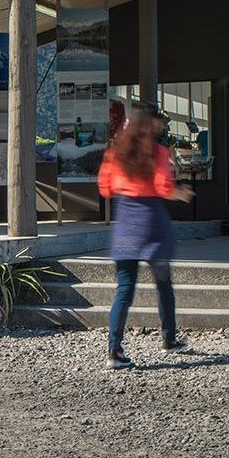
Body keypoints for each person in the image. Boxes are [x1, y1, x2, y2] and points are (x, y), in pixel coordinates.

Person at [97, 103, 194, 370]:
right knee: (163, 282)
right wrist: (181, 192)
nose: (161, 125)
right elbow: (164, 188)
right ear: (149, 123)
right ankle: (169, 339)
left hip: (126, 224)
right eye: (158, 121)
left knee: (124, 289)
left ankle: (114, 351)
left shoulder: (114, 153)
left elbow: (105, 188)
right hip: (152, 225)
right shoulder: (159, 152)